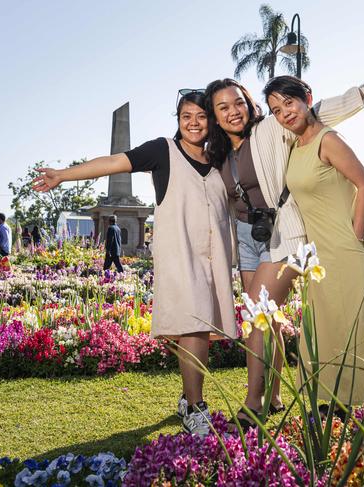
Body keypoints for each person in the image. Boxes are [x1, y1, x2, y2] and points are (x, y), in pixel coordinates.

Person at [32, 91, 237, 437]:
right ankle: (196, 407)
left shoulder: (220, 158)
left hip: (214, 255)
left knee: (199, 329)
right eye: (186, 116)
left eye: (200, 116)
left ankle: (190, 400)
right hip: (180, 254)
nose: (193, 123)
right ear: (178, 120)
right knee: (193, 326)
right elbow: (114, 163)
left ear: (211, 121)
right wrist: (63, 175)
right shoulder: (162, 151)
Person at [204, 55, 364, 428]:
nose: (233, 111)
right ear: (214, 115)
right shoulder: (218, 153)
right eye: (222, 107)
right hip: (246, 239)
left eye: (239, 102)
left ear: (249, 104)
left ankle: (253, 401)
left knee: (258, 315)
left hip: (283, 232)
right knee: (268, 321)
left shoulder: (272, 128)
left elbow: (315, 114)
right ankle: (273, 395)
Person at [263, 75, 364, 407]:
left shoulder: (328, 140)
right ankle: (334, 403)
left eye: (288, 102)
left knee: (361, 324)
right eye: (276, 110)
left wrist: (355, 238)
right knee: (328, 325)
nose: (284, 113)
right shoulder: (294, 145)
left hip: (349, 244)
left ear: (307, 98)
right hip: (320, 252)